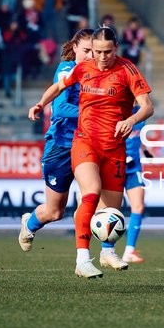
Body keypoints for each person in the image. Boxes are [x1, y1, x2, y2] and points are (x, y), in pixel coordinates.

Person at [27, 27, 153, 279]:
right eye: (97, 52)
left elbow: (147, 107)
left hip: (115, 147)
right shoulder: (83, 68)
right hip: (85, 143)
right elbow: (58, 87)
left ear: (115, 48)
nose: (102, 57)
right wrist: (41, 102)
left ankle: (107, 252)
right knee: (91, 193)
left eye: (107, 52)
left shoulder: (127, 70)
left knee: (112, 212)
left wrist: (132, 119)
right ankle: (82, 259)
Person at [19, 28, 93, 253]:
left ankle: (94, 253)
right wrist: (93, 113)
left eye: (95, 51)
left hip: (87, 144)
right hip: (61, 145)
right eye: (86, 50)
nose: (91, 56)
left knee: (91, 196)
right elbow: (60, 108)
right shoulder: (66, 69)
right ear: (74, 48)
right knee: (54, 212)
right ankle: (29, 224)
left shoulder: (98, 74)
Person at [99, 104, 150, 264]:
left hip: (134, 167)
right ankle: (105, 249)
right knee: (111, 209)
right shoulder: (116, 110)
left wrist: (145, 150)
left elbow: (137, 136)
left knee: (139, 206)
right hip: (116, 165)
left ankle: (129, 250)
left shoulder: (141, 113)